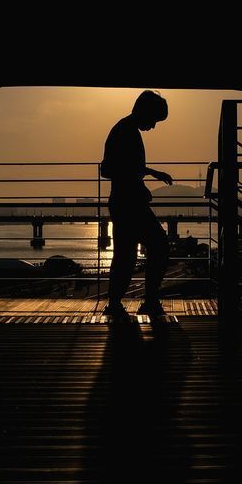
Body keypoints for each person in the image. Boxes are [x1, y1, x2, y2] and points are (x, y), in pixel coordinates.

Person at [100, 90, 172, 319]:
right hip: (129, 203)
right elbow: (109, 169)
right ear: (146, 112)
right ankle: (148, 299)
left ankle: (116, 302)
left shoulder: (124, 129)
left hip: (124, 202)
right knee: (158, 246)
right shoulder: (126, 132)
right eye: (154, 120)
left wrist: (150, 173)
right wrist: (139, 184)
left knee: (125, 253)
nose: (153, 126)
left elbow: (120, 166)